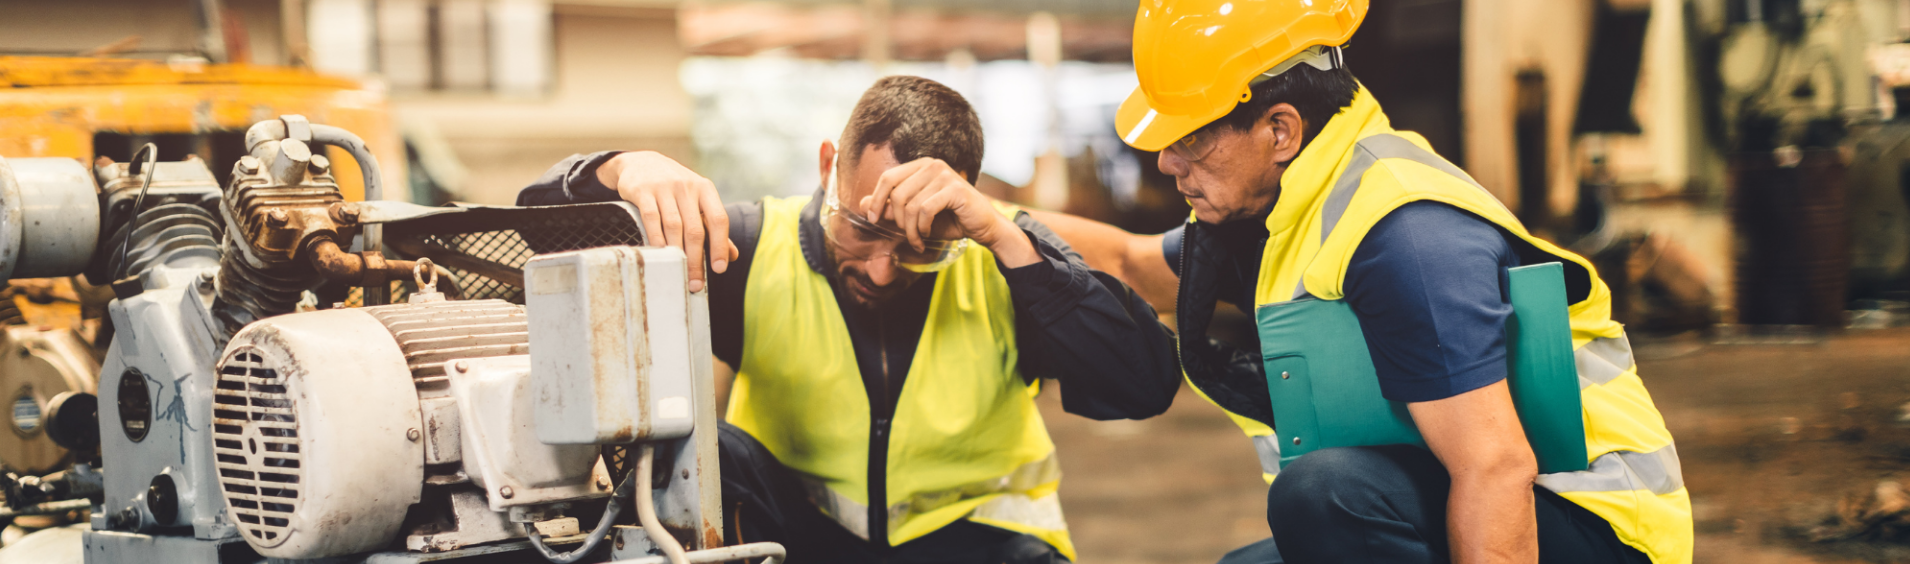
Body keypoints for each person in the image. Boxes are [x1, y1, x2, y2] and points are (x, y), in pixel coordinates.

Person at [1035, 0, 1695, 562]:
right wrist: (988, 219)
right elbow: (1128, 264)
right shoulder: (1287, 206)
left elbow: (1495, 468)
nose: (1165, 161)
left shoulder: (1404, 235)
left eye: (1192, 138)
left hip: (1598, 526)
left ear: (1280, 130)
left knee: (1326, 496)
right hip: (1484, 493)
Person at [516, 75, 1180, 564]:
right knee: (714, 444)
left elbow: (1143, 386)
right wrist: (620, 170)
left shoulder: (1003, 256)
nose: (883, 268)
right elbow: (535, 234)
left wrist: (1010, 244)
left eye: (921, 243)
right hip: (802, 539)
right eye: (863, 227)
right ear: (830, 164)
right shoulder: (747, 249)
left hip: (982, 544)